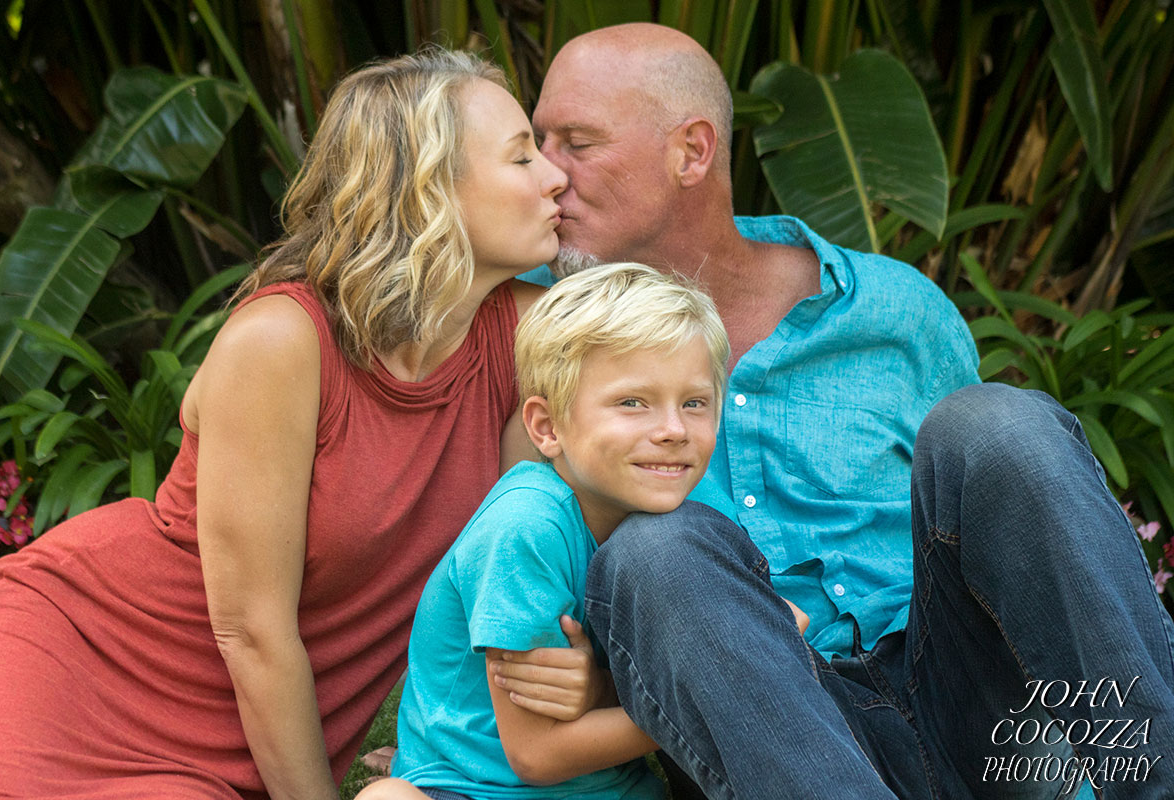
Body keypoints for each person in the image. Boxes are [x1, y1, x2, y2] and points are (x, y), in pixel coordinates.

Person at [494, 22, 1174, 800]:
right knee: (658, 549)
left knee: (996, 425)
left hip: (978, 710)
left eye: (576, 143)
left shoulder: (893, 310)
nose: (545, 174)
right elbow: (523, 559)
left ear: (692, 151)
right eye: (535, 142)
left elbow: (1010, 515)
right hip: (774, 736)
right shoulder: (539, 344)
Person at [0, 49, 573, 799]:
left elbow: (536, 549)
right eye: (521, 158)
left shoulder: (525, 336)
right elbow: (251, 632)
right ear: (427, 191)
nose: (556, 177)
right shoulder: (284, 342)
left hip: (242, 740)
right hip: (79, 675)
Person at [357, 262, 755, 800]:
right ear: (547, 427)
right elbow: (537, 756)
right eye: (631, 402)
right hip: (477, 790)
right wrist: (713, 703)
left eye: (694, 403)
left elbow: (779, 621)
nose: (672, 431)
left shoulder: (689, 492)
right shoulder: (525, 529)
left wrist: (610, 690)